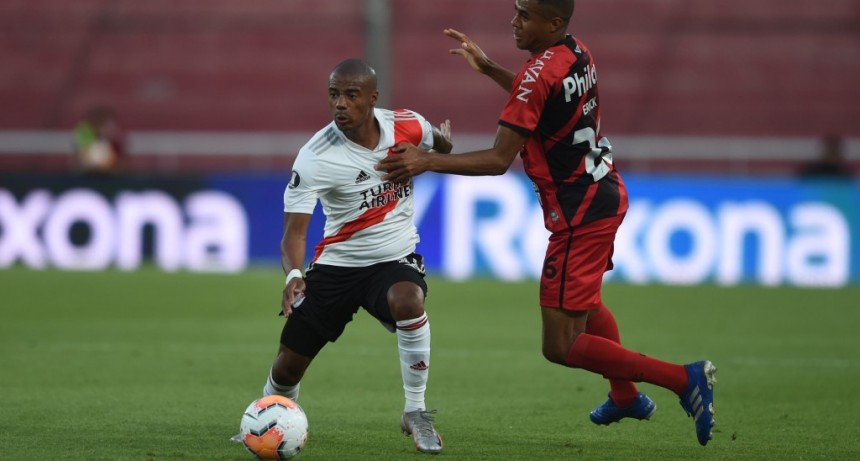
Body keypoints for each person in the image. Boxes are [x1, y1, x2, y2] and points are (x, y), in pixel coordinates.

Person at [376, 0, 718, 447]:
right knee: (587, 305)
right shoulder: (577, 53)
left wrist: (428, 160)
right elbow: (537, 97)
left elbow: (499, 159)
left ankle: (682, 379)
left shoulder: (538, 74)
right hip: (602, 193)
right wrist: (490, 68)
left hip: (580, 215)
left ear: (553, 22)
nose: (514, 22)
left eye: (524, 15)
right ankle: (625, 395)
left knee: (559, 345)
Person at [235, 59, 453, 454]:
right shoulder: (315, 156)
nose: (340, 104)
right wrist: (294, 276)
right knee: (287, 365)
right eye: (334, 95)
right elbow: (294, 232)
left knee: (408, 299)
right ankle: (268, 415)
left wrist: (437, 148)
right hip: (338, 265)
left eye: (351, 95)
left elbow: (437, 141)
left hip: (393, 258)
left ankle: (416, 411)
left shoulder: (407, 124)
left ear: (372, 99)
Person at [73, 106, 124, 174]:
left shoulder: (111, 141)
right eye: (108, 125)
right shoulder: (85, 131)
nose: (112, 128)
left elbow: (115, 161)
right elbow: (84, 158)